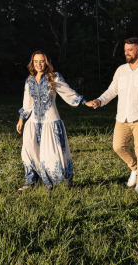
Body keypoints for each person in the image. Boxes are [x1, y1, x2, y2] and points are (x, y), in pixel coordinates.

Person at [86, 38, 138, 192]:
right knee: (118, 146)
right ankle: (135, 168)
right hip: (122, 117)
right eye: (125, 50)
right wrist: (100, 100)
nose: (126, 53)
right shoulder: (121, 70)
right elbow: (113, 90)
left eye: (130, 50)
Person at [16, 51, 87, 192]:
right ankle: (30, 181)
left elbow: (68, 92)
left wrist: (84, 101)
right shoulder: (29, 80)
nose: (38, 64)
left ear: (46, 62)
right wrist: (21, 119)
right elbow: (27, 103)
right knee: (29, 152)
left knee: (52, 154)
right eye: (36, 61)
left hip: (51, 122)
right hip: (33, 123)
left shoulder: (54, 77)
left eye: (41, 61)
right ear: (32, 63)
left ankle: (54, 183)